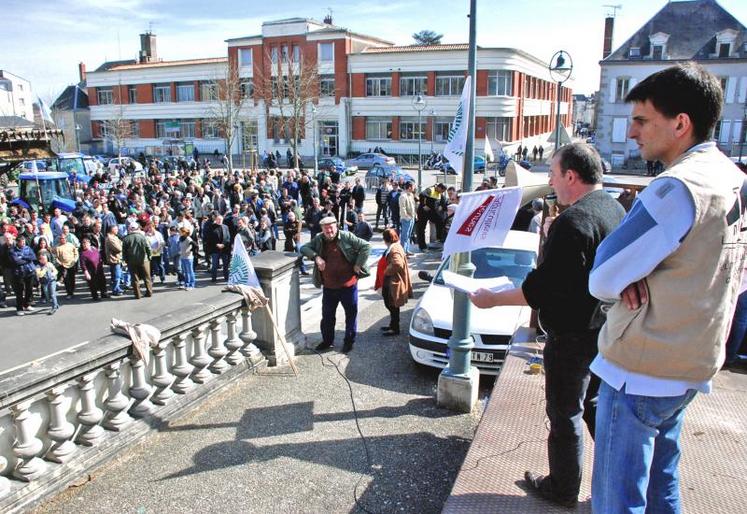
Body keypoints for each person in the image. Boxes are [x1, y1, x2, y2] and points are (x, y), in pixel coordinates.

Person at [587, 63, 747, 513]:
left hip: (642, 366)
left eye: (642, 120)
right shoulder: (734, 178)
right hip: (692, 361)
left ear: (680, 124)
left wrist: (631, 274)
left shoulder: (675, 188)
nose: (633, 131)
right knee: (662, 484)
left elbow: (601, 276)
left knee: (618, 499)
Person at [469, 142, 625, 508]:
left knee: (565, 412)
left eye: (553, 174)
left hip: (573, 336)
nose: (550, 182)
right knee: (594, 405)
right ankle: (615, 475)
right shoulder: (615, 208)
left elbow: (543, 289)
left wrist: (493, 299)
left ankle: (562, 489)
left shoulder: (574, 222)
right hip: (605, 328)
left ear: (571, 175)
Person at [301, 216, 371, 354]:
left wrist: (358, 264)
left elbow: (366, 246)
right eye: (326, 230)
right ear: (322, 230)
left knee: (350, 315)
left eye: (331, 229)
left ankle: (349, 342)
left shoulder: (346, 236)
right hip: (329, 287)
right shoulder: (319, 238)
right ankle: (327, 341)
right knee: (327, 316)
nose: (329, 232)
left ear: (336, 227)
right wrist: (316, 257)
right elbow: (303, 248)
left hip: (348, 286)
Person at [374, 228, 412, 335]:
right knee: (392, 305)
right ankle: (393, 325)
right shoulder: (394, 246)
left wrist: (386, 271)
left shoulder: (394, 249)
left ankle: (395, 328)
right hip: (390, 282)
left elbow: (397, 264)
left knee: (392, 305)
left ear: (386, 239)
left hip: (393, 282)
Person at [122, 222, 153, 299]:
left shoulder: (126, 238)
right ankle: (149, 292)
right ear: (137, 228)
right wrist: (149, 257)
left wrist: (126, 260)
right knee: (147, 277)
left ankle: (137, 295)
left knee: (134, 278)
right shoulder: (142, 237)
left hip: (131, 261)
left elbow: (124, 251)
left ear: (130, 229)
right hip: (144, 260)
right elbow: (148, 248)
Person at [10, 235, 37, 315]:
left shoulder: (28, 248)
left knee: (29, 289)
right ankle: (19, 308)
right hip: (19, 273)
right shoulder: (12, 251)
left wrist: (23, 257)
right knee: (19, 291)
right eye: (22, 242)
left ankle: (26, 304)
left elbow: (33, 257)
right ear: (18, 242)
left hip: (29, 272)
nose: (24, 243)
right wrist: (27, 260)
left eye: (24, 242)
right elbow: (16, 261)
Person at [204, 212, 231, 282]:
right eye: (218, 219)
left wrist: (223, 245)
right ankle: (214, 278)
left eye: (221, 220)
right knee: (215, 265)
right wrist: (216, 244)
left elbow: (228, 238)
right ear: (216, 219)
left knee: (225, 265)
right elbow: (209, 238)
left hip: (224, 249)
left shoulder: (226, 227)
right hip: (215, 249)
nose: (220, 221)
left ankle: (226, 277)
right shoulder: (211, 227)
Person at [53, 233, 79, 299]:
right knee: (66, 279)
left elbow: (76, 253)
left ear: (66, 239)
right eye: (61, 239)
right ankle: (69, 293)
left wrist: (75, 260)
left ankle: (72, 291)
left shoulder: (71, 245)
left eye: (64, 238)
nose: (62, 240)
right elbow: (56, 257)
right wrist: (60, 263)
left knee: (72, 279)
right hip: (64, 266)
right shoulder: (58, 247)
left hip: (71, 264)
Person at [105, 224, 124, 296]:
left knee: (116, 275)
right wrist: (121, 245)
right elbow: (118, 248)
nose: (117, 230)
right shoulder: (110, 238)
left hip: (116, 259)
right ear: (112, 230)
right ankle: (115, 290)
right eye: (116, 229)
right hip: (114, 259)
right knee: (116, 276)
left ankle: (117, 288)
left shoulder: (114, 237)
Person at [399, 181, 416, 256]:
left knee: (409, 235)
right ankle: (403, 252)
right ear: (409, 187)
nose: (414, 188)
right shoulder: (403, 196)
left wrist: (415, 214)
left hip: (412, 217)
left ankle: (407, 250)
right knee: (404, 236)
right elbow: (403, 208)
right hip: (406, 219)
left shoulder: (411, 195)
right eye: (413, 186)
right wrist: (407, 217)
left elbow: (413, 206)